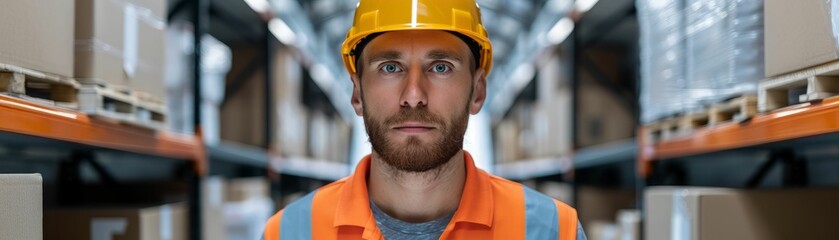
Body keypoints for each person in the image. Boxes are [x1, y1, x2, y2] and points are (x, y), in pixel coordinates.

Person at [263, 0, 586, 239]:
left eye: (441, 67)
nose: (414, 95)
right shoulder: (289, 232)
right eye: (390, 67)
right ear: (357, 94)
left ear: (477, 92)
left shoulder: (553, 230)